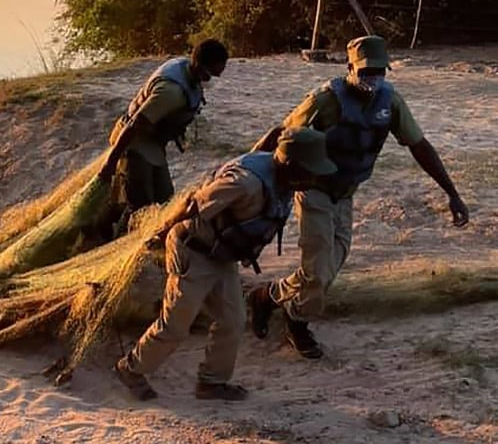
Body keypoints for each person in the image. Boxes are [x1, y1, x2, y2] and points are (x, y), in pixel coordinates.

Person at [248, 35, 470, 359]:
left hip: (346, 195)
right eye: (366, 71)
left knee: (327, 268)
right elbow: (280, 136)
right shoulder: (325, 100)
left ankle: (267, 296)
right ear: (349, 67)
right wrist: (247, 173)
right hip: (314, 192)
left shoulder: (390, 102)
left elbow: (419, 146)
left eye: (380, 71)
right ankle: (297, 322)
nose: (373, 79)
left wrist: (452, 193)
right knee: (318, 273)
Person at [114, 127, 337, 401]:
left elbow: (273, 137)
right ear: (290, 165)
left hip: (222, 257)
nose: (314, 178)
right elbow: (195, 204)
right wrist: (160, 234)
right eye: (310, 171)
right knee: (176, 323)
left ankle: (211, 382)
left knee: (233, 319)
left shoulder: (283, 177)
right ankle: (131, 369)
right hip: (192, 251)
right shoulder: (245, 183)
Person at [97, 39, 229, 239]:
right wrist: (110, 163)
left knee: (165, 201)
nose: (209, 80)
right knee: (141, 208)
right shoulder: (171, 92)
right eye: (209, 74)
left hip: (154, 147)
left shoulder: (184, 69)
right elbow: (134, 125)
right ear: (197, 64)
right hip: (135, 144)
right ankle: (116, 244)